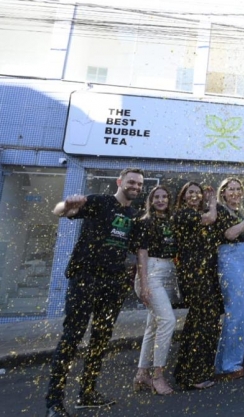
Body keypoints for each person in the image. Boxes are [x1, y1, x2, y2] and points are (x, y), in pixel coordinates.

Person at [46, 168, 144, 417]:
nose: (135, 187)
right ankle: (54, 403)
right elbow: (60, 211)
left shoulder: (133, 215)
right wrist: (67, 204)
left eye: (139, 184)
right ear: (119, 181)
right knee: (72, 337)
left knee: (100, 339)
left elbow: (134, 251)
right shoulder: (99, 201)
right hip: (85, 278)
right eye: (131, 182)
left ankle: (87, 393)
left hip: (114, 283)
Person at [171, 182, 220, 391]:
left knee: (199, 320)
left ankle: (187, 372)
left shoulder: (196, 214)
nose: (194, 195)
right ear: (183, 196)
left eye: (198, 193)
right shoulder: (183, 214)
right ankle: (193, 374)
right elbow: (210, 218)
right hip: (193, 273)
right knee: (204, 319)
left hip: (205, 272)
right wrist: (213, 202)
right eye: (190, 192)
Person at [131, 186, 178, 395]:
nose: (160, 200)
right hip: (151, 272)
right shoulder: (145, 222)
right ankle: (158, 375)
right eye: (156, 197)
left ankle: (142, 373)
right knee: (168, 321)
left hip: (169, 272)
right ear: (150, 200)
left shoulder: (171, 221)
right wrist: (144, 284)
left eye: (164, 196)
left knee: (153, 325)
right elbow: (141, 253)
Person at [214, 178, 244, 380]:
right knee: (236, 311)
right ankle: (228, 365)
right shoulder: (220, 210)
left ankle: (230, 361)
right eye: (230, 189)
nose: (234, 192)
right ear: (223, 192)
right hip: (230, 257)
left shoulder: (241, 212)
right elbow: (230, 234)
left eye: (237, 189)